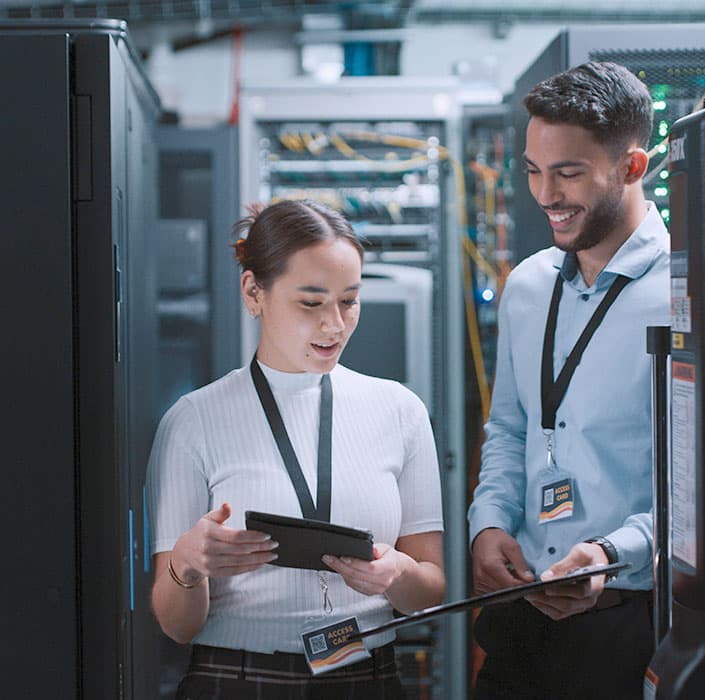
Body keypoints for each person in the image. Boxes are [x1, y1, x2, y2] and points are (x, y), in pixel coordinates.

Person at [146, 198, 445, 700]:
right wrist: (186, 563)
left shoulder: (400, 411)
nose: (334, 325)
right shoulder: (194, 420)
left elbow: (430, 592)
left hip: (366, 678)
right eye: (311, 303)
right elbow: (177, 627)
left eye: (349, 301)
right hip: (236, 680)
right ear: (253, 293)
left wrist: (399, 574)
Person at [467, 61, 670, 699]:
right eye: (533, 169)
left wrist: (613, 553)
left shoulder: (686, 294)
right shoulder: (527, 286)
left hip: (626, 622)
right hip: (520, 613)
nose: (545, 194)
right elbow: (509, 427)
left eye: (568, 172)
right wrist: (488, 522)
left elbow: (699, 492)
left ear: (632, 168)